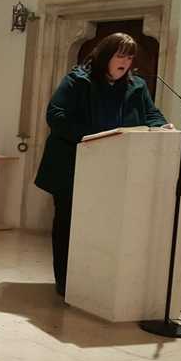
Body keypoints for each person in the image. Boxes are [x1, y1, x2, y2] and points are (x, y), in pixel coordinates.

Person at [35, 32, 171, 297]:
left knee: (104, 227)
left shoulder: (136, 86)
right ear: (105, 56)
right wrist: (92, 137)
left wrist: (162, 127)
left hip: (115, 171)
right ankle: (66, 281)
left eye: (129, 57)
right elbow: (55, 115)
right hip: (73, 165)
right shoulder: (78, 80)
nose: (125, 62)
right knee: (68, 224)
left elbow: (150, 113)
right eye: (120, 56)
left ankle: (96, 280)